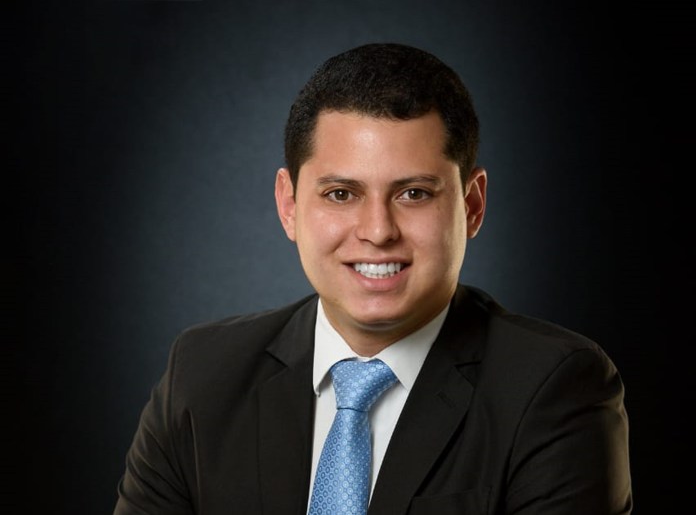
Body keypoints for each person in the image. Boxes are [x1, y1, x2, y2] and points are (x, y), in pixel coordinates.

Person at [114, 43, 632, 514]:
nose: (378, 231)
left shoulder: (554, 390)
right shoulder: (202, 376)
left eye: (414, 194)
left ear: (472, 205)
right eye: (341, 194)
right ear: (289, 205)